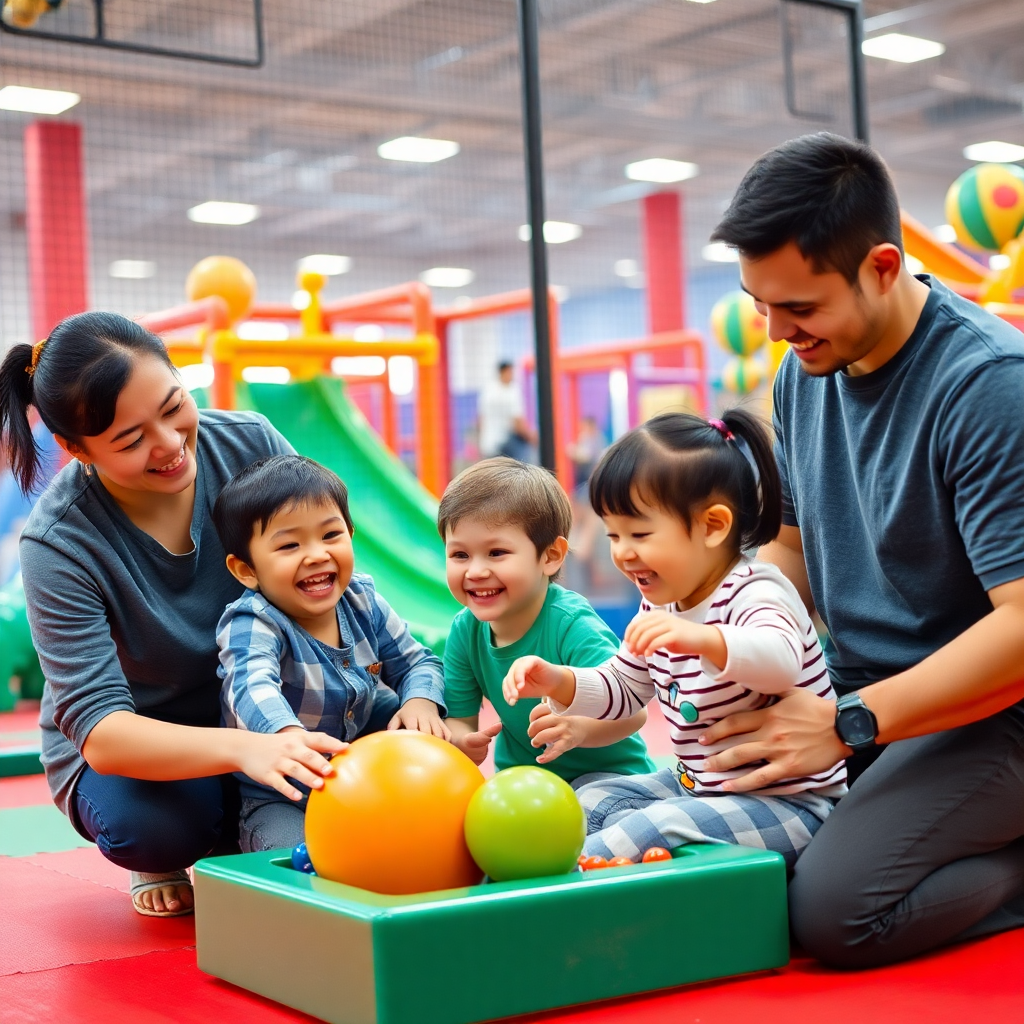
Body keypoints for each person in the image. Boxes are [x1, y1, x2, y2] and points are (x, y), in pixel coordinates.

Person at [701, 131, 1024, 967]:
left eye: (799, 309)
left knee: (835, 912)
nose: (774, 331)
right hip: (868, 697)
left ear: (883, 266)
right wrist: (746, 646)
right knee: (725, 840)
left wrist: (847, 725)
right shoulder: (803, 372)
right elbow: (791, 551)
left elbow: (1022, 629)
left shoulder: (988, 386)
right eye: (760, 303)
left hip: (996, 713)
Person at [0, 311, 347, 918]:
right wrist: (246, 752)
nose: (168, 444)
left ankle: (239, 813)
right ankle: (190, 837)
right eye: (130, 440)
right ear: (75, 449)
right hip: (145, 737)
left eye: (173, 404)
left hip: (267, 698)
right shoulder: (59, 543)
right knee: (155, 827)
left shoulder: (249, 444)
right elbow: (104, 733)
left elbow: (330, 572)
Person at [503, 411, 846, 867]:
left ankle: (561, 902)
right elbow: (624, 688)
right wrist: (559, 681)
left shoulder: (756, 591)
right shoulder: (663, 605)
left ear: (712, 526)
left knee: (651, 827)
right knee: (589, 796)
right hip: (700, 785)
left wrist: (703, 639)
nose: (623, 552)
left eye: (640, 533)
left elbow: (781, 659)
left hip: (791, 804)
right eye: (614, 534)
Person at [212, 454, 447, 852]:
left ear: (351, 534)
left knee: (425, 833)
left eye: (331, 535)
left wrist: (422, 701)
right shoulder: (253, 622)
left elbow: (417, 661)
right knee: (303, 859)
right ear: (246, 570)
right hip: (283, 796)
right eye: (289, 545)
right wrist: (285, 736)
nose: (317, 554)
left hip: (362, 781)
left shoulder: (361, 599)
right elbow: (250, 686)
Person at [438, 456, 654, 781]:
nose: (476, 571)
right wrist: (460, 740)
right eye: (459, 555)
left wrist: (579, 729)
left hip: (610, 777)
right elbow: (459, 719)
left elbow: (633, 713)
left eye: (496, 553)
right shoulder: (465, 630)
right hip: (525, 780)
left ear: (550, 556)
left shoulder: (570, 623)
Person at [477, 361, 536, 462]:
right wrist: (531, 437)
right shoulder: (512, 391)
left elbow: (480, 419)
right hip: (507, 444)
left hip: (488, 445)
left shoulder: (488, 390)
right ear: (503, 372)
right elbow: (517, 423)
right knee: (525, 466)